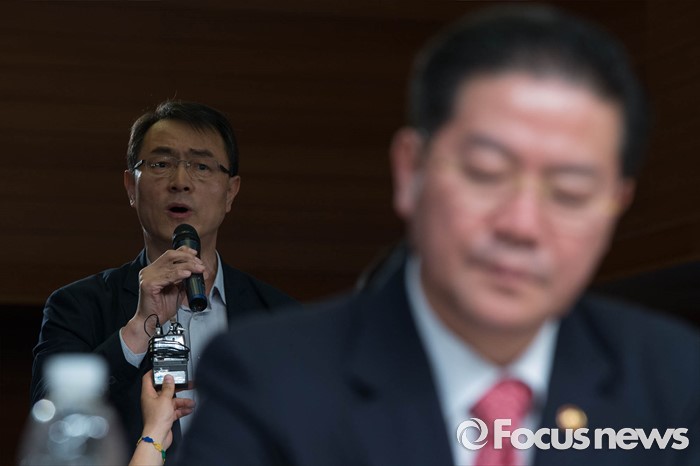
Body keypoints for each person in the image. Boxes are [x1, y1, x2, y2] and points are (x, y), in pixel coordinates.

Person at [176, 5, 700, 466]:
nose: (521, 225)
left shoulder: (675, 382)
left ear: (616, 206)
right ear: (411, 171)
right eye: (486, 173)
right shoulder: (269, 381)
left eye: (570, 191)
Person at [30, 100, 298, 457]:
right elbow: (54, 428)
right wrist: (138, 328)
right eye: (161, 164)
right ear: (131, 186)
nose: (180, 182)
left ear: (230, 192)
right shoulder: (77, 306)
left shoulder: (279, 317)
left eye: (201, 166)